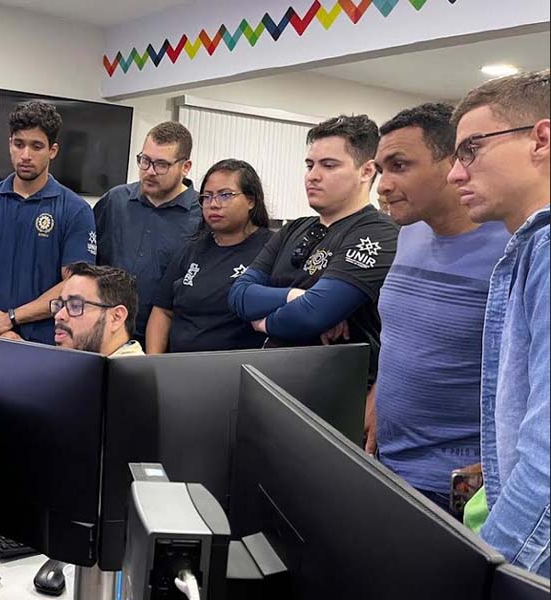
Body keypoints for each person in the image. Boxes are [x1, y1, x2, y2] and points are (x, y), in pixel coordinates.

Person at [371, 103, 509, 515]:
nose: (382, 184)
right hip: (390, 463)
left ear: (453, 163)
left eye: (399, 165)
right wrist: (379, 394)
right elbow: (403, 333)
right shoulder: (409, 232)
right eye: (380, 169)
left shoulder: (512, 245)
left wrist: (503, 467)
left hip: (457, 487)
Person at [446, 70, 549, 576]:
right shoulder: (531, 250)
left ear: (541, 139)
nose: (454, 173)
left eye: (471, 149)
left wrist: (487, 572)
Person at [227, 114, 399, 388]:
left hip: (334, 390)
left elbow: (313, 315)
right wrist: (298, 296)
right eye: (310, 165)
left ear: (367, 171)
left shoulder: (378, 232)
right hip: (273, 378)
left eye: (329, 165)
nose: (313, 176)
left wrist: (262, 323)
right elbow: (239, 295)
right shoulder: (293, 229)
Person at [0, 100, 96, 344]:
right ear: (10, 143)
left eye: (37, 146)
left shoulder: (76, 210)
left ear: (52, 150)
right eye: (19, 144)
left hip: (49, 342)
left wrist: (11, 318)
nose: (26, 155)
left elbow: (75, 284)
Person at [146, 159, 272, 353]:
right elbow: (162, 311)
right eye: (207, 196)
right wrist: (153, 364)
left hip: (234, 372)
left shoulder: (272, 249)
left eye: (225, 195)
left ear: (251, 200)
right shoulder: (191, 249)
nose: (214, 204)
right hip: (177, 369)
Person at [94, 121, 201, 345]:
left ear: (186, 167)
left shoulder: (201, 216)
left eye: (161, 164)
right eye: (145, 161)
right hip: (106, 333)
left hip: (164, 340)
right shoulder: (115, 201)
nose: (150, 171)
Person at [53, 262, 143, 357]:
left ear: (116, 317)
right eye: (60, 305)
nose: (58, 315)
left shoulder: (137, 371)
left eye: (75, 305)